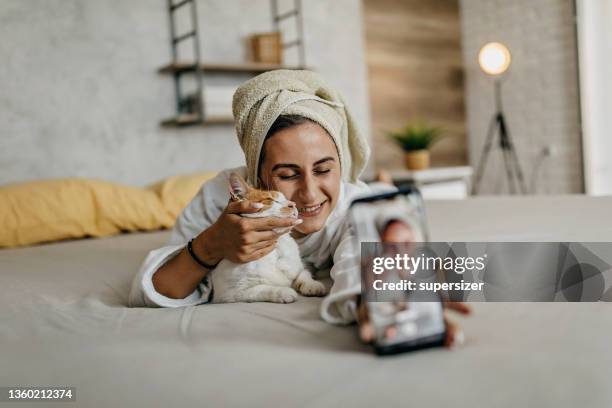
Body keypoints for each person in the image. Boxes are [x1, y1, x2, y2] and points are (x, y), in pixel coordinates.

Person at [128, 69, 468, 346]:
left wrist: (377, 301)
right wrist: (213, 244)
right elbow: (158, 288)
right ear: (257, 174)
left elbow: (362, 260)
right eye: (288, 174)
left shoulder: (351, 204)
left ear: (341, 164)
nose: (308, 194)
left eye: (323, 170)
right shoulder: (223, 199)